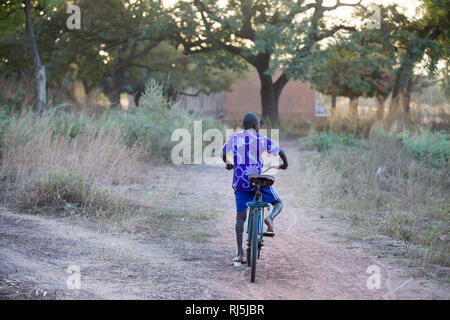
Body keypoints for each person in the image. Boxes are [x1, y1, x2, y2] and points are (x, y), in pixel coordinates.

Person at [222, 113, 288, 263]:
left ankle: (240, 253)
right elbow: (281, 152)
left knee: (240, 217)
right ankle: (270, 217)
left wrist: (228, 163)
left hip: (240, 182)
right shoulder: (261, 138)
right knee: (278, 203)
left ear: (244, 125)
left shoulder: (235, 137)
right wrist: (285, 165)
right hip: (257, 180)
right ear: (255, 125)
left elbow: (223, 152)